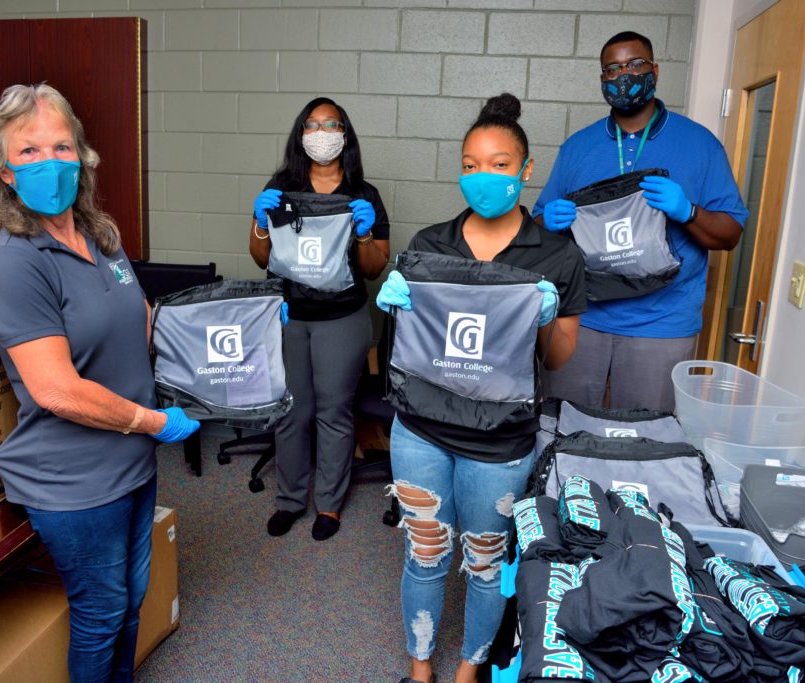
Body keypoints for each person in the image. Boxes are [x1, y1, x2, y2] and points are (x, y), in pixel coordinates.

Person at [0, 83, 200, 683]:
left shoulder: (99, 239)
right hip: (74, 481)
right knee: (101, 613)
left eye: (61, 146)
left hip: (132, 464)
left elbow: (141, 323)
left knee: (130, 601)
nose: (50, 162)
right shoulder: (13, 262)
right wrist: (154, 422)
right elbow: (56, 390)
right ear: (4, 172)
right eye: (30, 150)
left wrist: (229, 325)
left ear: (83, 157)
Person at [376, 94, 587, 683]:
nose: (483, 176)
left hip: (500, 438)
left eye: (499, 164)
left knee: (486, 560)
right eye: (470, 164)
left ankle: (469, 669)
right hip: (421, 426)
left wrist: (545, 317)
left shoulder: (557, 254)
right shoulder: (429, 245)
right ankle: (420, 667)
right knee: (425, 550)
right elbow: (406, 348)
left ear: (526, 169)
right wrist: (389, 307)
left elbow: (560, 358)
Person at [534, 31, 749, 412]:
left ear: (654, 70)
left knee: (649, 439)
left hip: (663, 324)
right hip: (583, 320)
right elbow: (534, 225)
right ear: (602, 80)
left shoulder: (700, 145)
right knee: (561, 427)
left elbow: (730, 234)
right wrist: (547, 221)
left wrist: (689, 212)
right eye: (612, 69)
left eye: (635, 64)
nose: (624, 75)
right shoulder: (579, 147)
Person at [249, 97, 390, 541]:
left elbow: (373, 268)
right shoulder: (282, 186)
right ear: (300, 133)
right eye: (312, 124)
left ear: (344, 134)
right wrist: (259, 224)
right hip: (290, 316)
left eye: (331, 124)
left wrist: (365, 234)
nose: (321, 132)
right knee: (293, 411)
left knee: (334, 411)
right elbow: (260, 259)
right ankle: (289, 501)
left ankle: (328, 506)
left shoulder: (363, 194)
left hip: (342, 319)